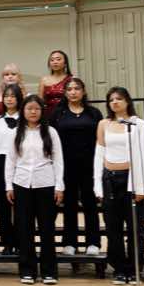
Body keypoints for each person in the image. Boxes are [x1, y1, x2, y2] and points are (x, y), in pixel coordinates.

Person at [94, 87, 144, 285]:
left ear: (127, 101)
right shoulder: (103, 124)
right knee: (113, 228)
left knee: (135, 227)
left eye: (119, 99)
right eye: (111, 99)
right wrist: (97, 186)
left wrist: (141, 187)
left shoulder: (138, 124)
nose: (115, 102)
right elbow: (99, 155)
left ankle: (134, 269)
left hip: (132, 179)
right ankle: (118, 269)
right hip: (110, 179)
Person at [6, 95, 64, 285]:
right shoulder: (16, 133)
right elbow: (10, 160)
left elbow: (58, 160)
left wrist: (59, 186)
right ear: (23, 111)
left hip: (45, 183)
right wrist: (8, 185)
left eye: (36, 109)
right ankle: (27, 270)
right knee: (24, 229)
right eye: (29, 108)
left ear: (42, 111)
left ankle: (49, 271)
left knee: (47, 229)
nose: (33, 112)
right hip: (22, 183)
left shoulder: (51, 132)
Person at [51, 77, 103, 256]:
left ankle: (93, 242)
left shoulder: (94, 113)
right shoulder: (58, 114)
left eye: (77, 88)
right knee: (69, 204)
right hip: (66, 166)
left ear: (83, 91)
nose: (73, 92)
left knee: (90, 203)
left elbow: (100, 140)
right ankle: (70, 242)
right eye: (69, 89)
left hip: (89, 165)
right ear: (65, 93)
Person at [0, 83, 22, 255]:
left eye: (13, 96)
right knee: (3, 204)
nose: (9, 99)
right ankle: (7, 242)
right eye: (6, 96)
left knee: (21, 203)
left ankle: (22, 242)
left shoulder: (25, 119)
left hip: (21, 162)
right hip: (1, 160)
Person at [0, 63, 26, 129]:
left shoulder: (26, 96)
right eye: (7, 74)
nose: (10, 76)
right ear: (3, 78)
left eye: (13, 74)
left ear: (19, 77)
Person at [38, 50, 73, 118]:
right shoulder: (44, 80)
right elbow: (40, 102)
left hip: (67, 115)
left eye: (58, 59)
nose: (55, 62)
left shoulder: (72, 79)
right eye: (52, 60)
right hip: (49, 115)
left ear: (65, 63)